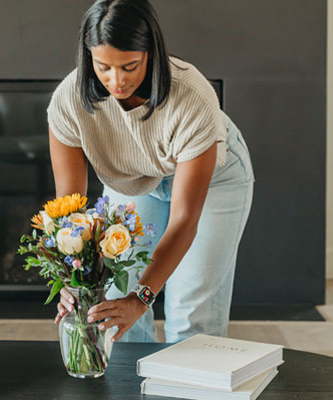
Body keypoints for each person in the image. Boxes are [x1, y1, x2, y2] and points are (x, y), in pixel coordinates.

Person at [47, 0, 254, 344]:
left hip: (214, 180)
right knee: (114, 307)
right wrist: (71, 278)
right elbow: (70, 211)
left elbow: (185, 220)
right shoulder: (69, 101)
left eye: (130, 66)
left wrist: (142, 298)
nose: (117, 81)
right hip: (134, 182)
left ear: (151, 52)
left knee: (191, 316)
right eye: (104, 67)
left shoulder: (192, 98)